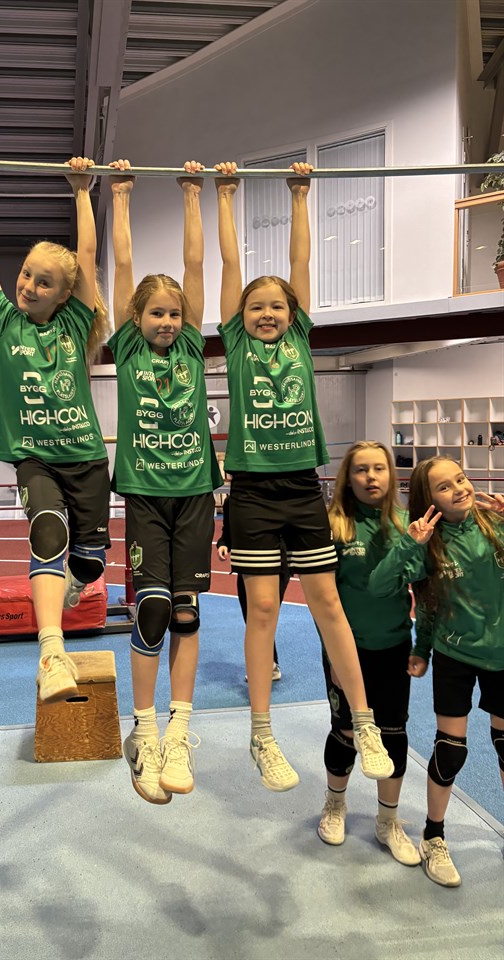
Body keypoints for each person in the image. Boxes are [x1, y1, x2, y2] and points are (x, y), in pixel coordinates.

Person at [215, 160, 393, 791]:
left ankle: (365, 721)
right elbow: (230, 266)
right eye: (256, 307)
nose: (267, 313)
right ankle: (262, 734)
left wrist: (300, 195)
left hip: (299, 487)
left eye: (277, 306)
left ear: (293, 314)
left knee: (327, 602)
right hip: (252, 491)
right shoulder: (238, 346)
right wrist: (225, 196)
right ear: (241, 316)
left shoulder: (299, 341)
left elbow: (301, 262)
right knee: (262, 607)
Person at [0, 150, 111, 704]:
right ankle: (51, 652)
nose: (29, 286)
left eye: (44, 282)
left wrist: (82, 191)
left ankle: (73, 583)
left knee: (90, 562)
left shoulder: (75, 323)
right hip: (35, 459)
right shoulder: (3, 322)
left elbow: (87, 255)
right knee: (47, 531)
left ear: (65, 294)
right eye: (26, 274)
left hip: (86, 460)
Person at [108, 159, 221, 804]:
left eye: (175, 314)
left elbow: (196, 265)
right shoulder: (128, 348)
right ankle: (144, 730)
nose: (168, 322)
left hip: (196, 494)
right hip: (148, 497)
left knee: (185, 612)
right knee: (151, 608)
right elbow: (123, 265)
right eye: (156, 313)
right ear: (137, 317)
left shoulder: (190, 348)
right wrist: (120, 195)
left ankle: (180, 727)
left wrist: (193, 195)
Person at [370, 456, 504, 886]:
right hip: (454, 656)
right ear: (428, 500)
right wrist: (421, 648)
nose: (459, 488)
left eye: (460, 479)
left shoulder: (495, 524)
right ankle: (433, 836)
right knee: (450, 751)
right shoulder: (427, 543)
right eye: (444, 487)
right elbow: (385, 587)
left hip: (502, 655)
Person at [316, 441, 420, 866]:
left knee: (393, 733)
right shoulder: (333, 526)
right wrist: (333, 656)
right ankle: (335, 805)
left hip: (394, 645)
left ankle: (387, 821)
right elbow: (323, 603)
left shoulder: (406, 523)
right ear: (348, 477)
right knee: (346, 731)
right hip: (348, 650)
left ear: (391, 475)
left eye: (379, 468)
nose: (371, 477)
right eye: (361, 469)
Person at [216, 494, 286, 680]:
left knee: (263, 615)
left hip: (278, 561)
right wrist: (223, 544)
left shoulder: (276, 497)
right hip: (247, 564)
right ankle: (269, 663)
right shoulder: (231, 502)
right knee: (251, 616)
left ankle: (265, 665)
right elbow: (227, 532)